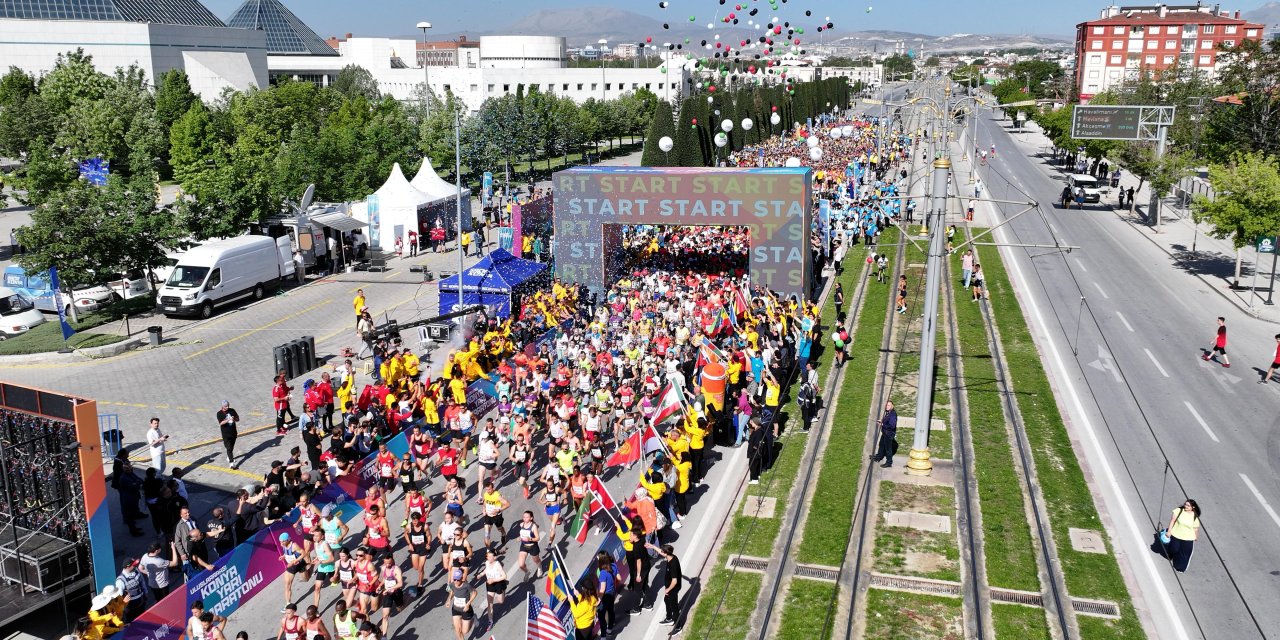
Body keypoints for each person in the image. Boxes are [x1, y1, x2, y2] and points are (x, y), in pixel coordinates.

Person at [646, 542, 683, 627]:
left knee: (674, 607)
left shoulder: (672, 564)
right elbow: (661, 552)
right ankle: (669, 618)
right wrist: (653, 547)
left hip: (672, 588)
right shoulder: (671, 556)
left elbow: (674, 581)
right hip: (670, 587)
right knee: (667, 600)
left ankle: (678, 627)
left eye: (662, 552)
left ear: (666, 553)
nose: (661, 553)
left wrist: (668, 589)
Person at [1165, 499, 1201, 572]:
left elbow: (1196, 529)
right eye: (1185, 504)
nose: (1185, 506)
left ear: (1193, 507)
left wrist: (1196, 537)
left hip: (1188, 537)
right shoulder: (1179, 510)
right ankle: (1171, 554)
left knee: (1185, 554)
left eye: (1188, 505)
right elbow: (1172, 521)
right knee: (1174, 549)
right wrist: (1169, 531)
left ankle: (1180, 568)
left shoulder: (1195, 516)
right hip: (1176, 534)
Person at [279, 532, 310, 611]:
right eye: (280, 541)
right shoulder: (283, 545)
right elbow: (287, 553)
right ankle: (288, 604)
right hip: (291, 567)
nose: (281, 543)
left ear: (288, 540)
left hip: (299, 564)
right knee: (287, 585)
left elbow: (303, 553)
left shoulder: (294, 545)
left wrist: (295, 560)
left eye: (283, 541)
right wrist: (283, 556)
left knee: (306, 579)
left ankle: (310, 566)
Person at [482, 548, 508, 630]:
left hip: (498, 584)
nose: (488, 558)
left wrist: (493, 580)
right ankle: (490, 621)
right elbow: (486, 569)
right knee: (490, 604)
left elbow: (504, 576)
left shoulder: (497, 565)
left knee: (500, 601)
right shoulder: (486, 562)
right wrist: (481, 574)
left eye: (490, 557)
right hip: (490, 584)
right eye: (487, 556)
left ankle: (504, 589)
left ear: (495, 557)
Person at [448, 567, 476, 640]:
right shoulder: (452, 584)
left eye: (458, 579)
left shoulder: (466, 586)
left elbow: (475, 593)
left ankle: (473, 618)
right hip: (456, 609)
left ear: (461, 578)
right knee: (458, 630)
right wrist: (448, 600)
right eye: (454, 579)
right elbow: (452, 591)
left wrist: (468, 604)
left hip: (466, 610)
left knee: (465, 631)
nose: (456, 581)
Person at [870, 401, 898, 468]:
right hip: (885, 433)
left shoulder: (893, 414)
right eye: (886, 405)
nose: (887, 406)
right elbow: (887, 421)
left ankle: (889, 463)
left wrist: (882, 424)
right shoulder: (888, 413)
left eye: (889, 405)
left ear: (892, 406)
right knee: (881, 445)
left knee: (888, 449)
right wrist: (882, 421)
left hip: (889, 434)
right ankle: (878, 457)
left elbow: (892, 426)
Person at [216, 401, 241, 467]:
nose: (227, 407)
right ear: (222, 406)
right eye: (225, 406)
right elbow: (221, 423)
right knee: (229, 448)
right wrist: (227, 420)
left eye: (228, 406)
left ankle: (229, 457)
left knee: (231, 447)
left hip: (233, 432)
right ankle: (231, 462)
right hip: (226, 434)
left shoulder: (232, 410)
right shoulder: (219, 413)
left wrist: (234, 418)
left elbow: (238, 419)